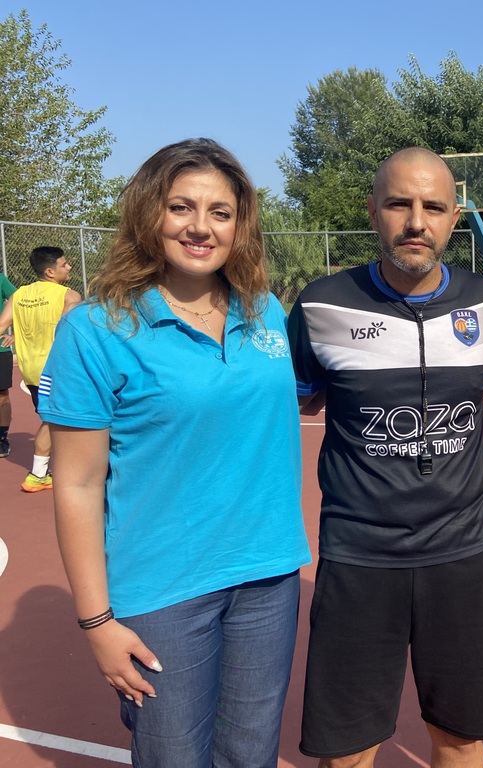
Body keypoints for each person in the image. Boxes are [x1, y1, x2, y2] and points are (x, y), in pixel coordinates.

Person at [39, 138, 311, 767]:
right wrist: (96, 621)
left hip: (268, 577)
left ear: (240, 225)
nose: (200, 227)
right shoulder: (97, 328)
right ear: (148, 214)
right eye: (180, 207)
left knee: (250, 755)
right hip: (163, 588)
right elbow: (77, 484)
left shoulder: (265, 310)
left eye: (221, 212)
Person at [288, 146, 483, 768]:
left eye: (434, 207)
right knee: (348, 751)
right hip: (359, 558)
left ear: (454, 218)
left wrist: (445, 445)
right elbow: (298, 405)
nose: (417, 222)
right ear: (373, 211)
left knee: (460, 740)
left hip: (465, 554)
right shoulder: (320, 304)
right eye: (399, 204)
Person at [0, 247, 80, 490]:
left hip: (32, 372)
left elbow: (1, 325)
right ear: (50, 272)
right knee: (70, 420)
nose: (69, 267)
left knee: (51, 420)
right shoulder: (69, 296)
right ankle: (48, 474)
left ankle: (40, 473)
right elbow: (68, 335)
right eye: (64, 264)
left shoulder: (19, 295)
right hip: (59, 370)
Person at [0, 271, 17, 458]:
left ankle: (2, 438)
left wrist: (15, 333)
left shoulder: (0, 280)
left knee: (2, 396)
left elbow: (20, 303)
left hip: (0, 349)